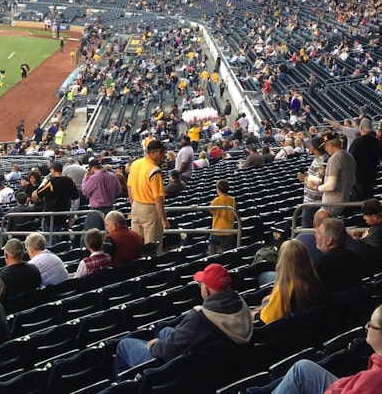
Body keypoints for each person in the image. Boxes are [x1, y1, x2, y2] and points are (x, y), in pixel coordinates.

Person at [113, 263, 253, 375]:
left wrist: (154, 346)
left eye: (201, 284)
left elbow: (168, 351)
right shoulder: (242, 305)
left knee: (124, 345)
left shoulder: (200, 319)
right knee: (165, 331)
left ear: (207, 291)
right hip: (220, 362)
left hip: (189, 372)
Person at [271, 303, 382, 394]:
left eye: (371, 325)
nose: (366, 327)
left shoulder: (377, 380)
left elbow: (370, 384)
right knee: (302, 368)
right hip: (353, 387)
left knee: (300, 372)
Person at [256, 239, 328, 325]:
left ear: (282, 261)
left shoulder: (285, 290)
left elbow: (265, 320)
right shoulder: (315, 283)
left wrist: (255, 315)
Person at [127, 139, 170, 249]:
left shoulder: (135, 164)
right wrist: (164, 220)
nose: (163, 155)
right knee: (151, 247)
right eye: (161, 152)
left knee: (137, 245)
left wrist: (133, 206)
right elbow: (158, 198)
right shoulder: (154, 170)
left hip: (136, 206)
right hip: (150, 210)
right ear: (153, 152)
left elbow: (129, 186)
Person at [315, 218, 364, 292]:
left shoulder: (322, 263)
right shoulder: (354, 257)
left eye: (318, 233)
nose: (315, 236)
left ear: (329, 240)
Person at [313, 131, 355, 216]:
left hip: (331, 203)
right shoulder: (350, 157)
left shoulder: (335, 159)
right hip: (345, 200)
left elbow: (331, 186)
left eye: (326, 146)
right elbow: (353, 181)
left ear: (331, 145)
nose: (325, 149)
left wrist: (317, 188)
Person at [349, 199, 382, 271]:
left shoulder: (381, 230)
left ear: (374, 217)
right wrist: (360, 235)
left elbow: (369, 252)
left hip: (374, 266)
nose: (364, 218)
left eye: (366, 215)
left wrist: (355, 240)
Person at [297, 135, 328, 228]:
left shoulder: (323, 161)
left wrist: (304, 179)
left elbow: (320, 180)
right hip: (311, 200)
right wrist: (307, 175)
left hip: (313, 202)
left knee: (307, 230)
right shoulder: (319, 159)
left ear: (313, 147)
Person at [348, 118, 380, 201]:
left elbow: (350, 158)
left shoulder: (357, 142)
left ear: (361, 127)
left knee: (359, 200)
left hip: (359, 177)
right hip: (372, 174)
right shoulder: (376, 141)